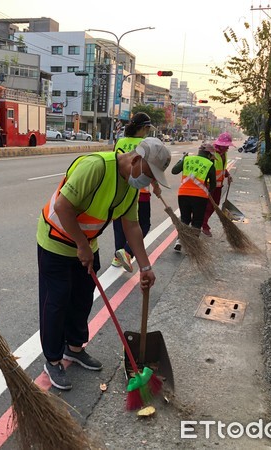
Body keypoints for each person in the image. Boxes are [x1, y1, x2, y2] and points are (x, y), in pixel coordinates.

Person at [37, 137, 171, 390]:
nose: (149, 181)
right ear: (136, 159)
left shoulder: (131, 187)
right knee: (56, 300)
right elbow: (62, 206)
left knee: (82, 298)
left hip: (86, 243)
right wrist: (81, 245)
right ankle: (53, 360)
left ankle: (74, 349)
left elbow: (131, 226)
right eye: (149, 174)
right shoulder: (96, 167)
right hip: (55, 240)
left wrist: (145, 266)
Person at [111, 112, 162, 271]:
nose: (147, 132)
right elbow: (150, 169)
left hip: (121, 190)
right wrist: (157, 187)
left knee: (119, 223)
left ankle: (117, 257)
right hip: (141, 192)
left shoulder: (120, 142)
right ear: (144, 128)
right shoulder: (147, 144)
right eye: (147, 128)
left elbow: (116, 163)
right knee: (144, 224)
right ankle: (126, 252)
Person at [170, 143, 216, 251]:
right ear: (209, 154)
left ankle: (180, 240)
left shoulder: (187, 159)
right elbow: (213, 184)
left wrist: (182, 159)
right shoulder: (209, 164)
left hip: (183, 194)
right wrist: (208, 191)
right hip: (200, 196)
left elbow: (174, 171)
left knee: (185, 219)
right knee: (197, 220)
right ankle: (193, 245)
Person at [201, 132, 234, 237]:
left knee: (215, 205)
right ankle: (204, 225)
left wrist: (227, 175)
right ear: (220, 145)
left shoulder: (224, 153)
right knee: (208, 206)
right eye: (226, 146)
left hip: (218, 186)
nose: (227, 148)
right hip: (210, 185)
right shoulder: (212, 153)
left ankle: (201, 221)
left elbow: (222, 168)